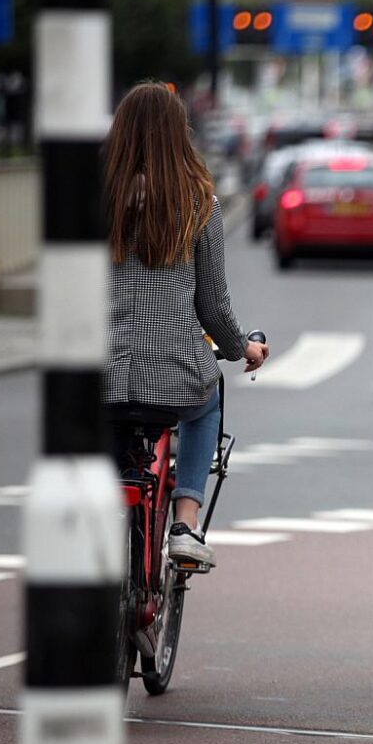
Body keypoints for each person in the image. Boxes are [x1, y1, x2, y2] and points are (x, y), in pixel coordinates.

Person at [103, 82, 269, 567]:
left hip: (101, 375)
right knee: (207, 398)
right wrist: (243, 349)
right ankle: (185, 523)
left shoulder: (93, 204)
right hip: (174, 374)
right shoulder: (200, 204)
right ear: (179, 135)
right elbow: (212, 306)